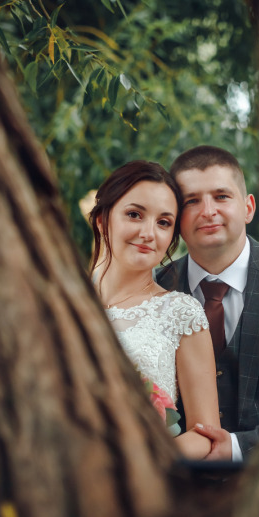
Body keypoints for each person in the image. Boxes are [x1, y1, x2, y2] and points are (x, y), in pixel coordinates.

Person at [90, 160, 220, 459]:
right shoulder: (60, 302)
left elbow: (205, 434)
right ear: (101, 220)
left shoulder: (181, 313)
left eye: (163, 223)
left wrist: (139, 463)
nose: (149, 233)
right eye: (134, 215)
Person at [156, 146, 259, 461]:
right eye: (191, 201)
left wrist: (236, 448)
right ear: (176, 218)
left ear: (248, 207)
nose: (207, 211)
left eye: (221, 196)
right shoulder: (153, 290)